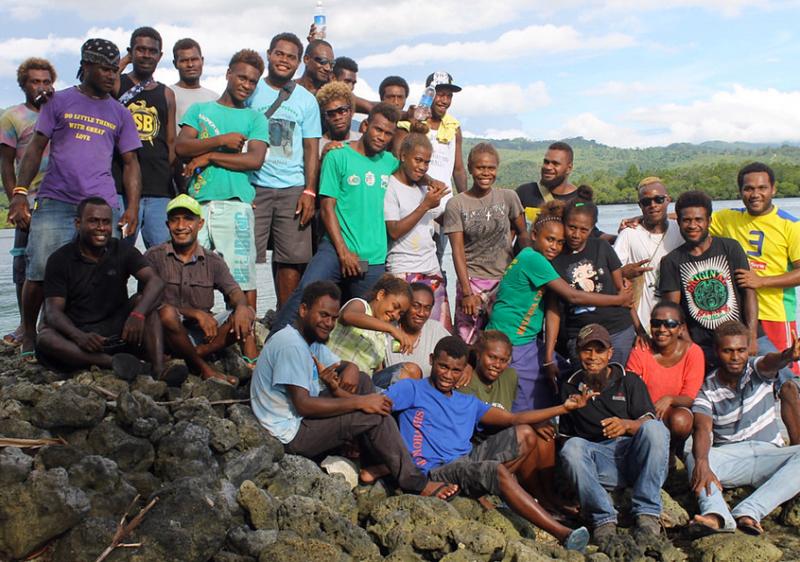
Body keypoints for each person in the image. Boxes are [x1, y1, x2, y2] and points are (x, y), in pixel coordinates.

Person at [251, 280, 459, 501]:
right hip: (291, 434)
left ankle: (375, 460)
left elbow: (340, 366)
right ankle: (415, 481)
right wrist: (362, 403)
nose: (329, 324)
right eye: (323, 315)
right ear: (303, 310)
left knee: (362, 380)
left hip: (300, 418)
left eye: (332, 318)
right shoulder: (290, 345)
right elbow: (304, 404)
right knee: (374, 412)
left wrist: (350, 367)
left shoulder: (308, 341)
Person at [385, 335, 593, 552]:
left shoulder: (467, 402)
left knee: (523, 432)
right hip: (437, 473)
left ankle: (499, 494)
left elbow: (513, 419)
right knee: (495, 470)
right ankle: (562, 533)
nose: (448, 375)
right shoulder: (412, 389)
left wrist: (563, 408)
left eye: (456, 370)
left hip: (466, 462)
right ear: (431, 360)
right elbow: (379, 408)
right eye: (443, 367)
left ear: (464, 369)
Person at [9, 38, 142, 361]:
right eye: (105, 69)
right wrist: (20, 193)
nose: (113, 76)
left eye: (115, 70)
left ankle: (96, 334)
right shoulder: (59, 101)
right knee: (39, 270)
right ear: (86, 67)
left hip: (102, 204)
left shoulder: (119, 112)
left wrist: (133, 207)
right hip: (56, 199)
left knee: (105, 275)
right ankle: (30, 331)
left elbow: (130, 163)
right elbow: (36, 147)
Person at [270, 103, 401, 335]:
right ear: (365, 126)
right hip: (335, 249)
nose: (382, 137)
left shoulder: (390, 163)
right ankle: (274, 346)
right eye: (378, 130)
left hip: (373, 257)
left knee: (365, 318)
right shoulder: (338, 156)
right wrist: (343, 252)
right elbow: (327, 207)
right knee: (306, 294)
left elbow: (415, 169)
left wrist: (431, 182)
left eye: (388, 133)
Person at [488, 201, 632, 411]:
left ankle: (557, 421)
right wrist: (618, 300)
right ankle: (530, 427)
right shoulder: (534, 259)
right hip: (513, 339)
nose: (554, 247)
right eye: (550, 240)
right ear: (534, 235)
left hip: (526, 339)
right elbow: (572, 296)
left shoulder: (538, 258)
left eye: (559, 242)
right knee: (523, 399)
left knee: (564, 373)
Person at [708, 162, 800, 443]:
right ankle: (745, 443)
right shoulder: (726, 219)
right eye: (749, 188)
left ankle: (796, 455)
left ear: (773, 189)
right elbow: (692, 218)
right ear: (740, 191)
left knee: (787, 385)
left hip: (776, 316)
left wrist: (763, 281)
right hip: (736, 318)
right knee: (739, 380)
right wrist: (646, 220)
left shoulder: (789, 225)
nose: (755, 193)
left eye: (762, 187)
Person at [35, 198, 173, 380]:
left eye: (106, 222)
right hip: (80, 338)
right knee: (45, 337)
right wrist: (79, 336)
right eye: (93, 221)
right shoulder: (60, 259)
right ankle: (109, 362)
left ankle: (158, 368)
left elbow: (156, 282)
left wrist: (138, 314)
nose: (101, 227)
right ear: (78, 223)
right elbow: (53, 312)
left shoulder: (122, 250)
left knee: (143, 302)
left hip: (119, 333)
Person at [175, 49, 269, 311]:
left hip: (235, 205)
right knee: (188, 274)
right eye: (242, 78)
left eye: (252, 82)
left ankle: (245, 341)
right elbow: (182, 147)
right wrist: (220, 141)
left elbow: (254, 160)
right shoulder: (200, 110)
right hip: (197, 206)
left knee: (241, 281)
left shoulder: (254, 118)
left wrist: (209, 156)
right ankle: (191, 333)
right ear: (228, 74)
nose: (246, 85)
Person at [687, 320, 800, 536]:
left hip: (769, 453)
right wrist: (702, 462)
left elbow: (770, 362)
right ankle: (717, 515)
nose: (736, 357)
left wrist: (787, 355)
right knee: (694, 456)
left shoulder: (757, 369)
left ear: (748, 349)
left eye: (741, 350)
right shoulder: (707, 389)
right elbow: (702, 428)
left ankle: (750, 511)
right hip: (733, 458)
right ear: (716, 351)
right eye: (728, 351)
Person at [559, 324, 669, 543]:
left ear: (609, 353)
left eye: (599, 350)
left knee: (656, 429)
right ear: (578, 352)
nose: (592, 357)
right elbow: (566, 439)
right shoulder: (570, 386)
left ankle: (647, 513)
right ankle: (603, 518)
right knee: (571, 448)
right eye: (586, 350)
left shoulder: (629, 380)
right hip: (601, 463)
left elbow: (648, 420)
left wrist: (626, 425)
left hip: (633, 455)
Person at [145, 194, 257, 386]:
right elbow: (146, 301)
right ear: (167, 224)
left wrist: (241, 308)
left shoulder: (213, 260)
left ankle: (190, 355)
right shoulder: (154, 256)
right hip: (167, 332)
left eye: (188, 219)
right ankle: (203, 368)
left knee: (247, 312)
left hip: (203, 335)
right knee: (166, 314)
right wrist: (195, 313)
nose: (181, 226)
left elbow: (235, 293)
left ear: (200, 223)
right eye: (175, 220)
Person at [247, 32, 320, 308]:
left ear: (299, 62)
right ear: (269, 54)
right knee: (247, 256)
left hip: (292, 189)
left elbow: (311, 148)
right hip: (255, 185)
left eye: (291, 56)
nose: (284, 60)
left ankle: (284, 320)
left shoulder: (306, 100)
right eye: (279, 53)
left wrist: (309, 190)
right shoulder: (252, 91)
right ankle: (245, 323)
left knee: (290, 259)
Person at [658, 190, 759, 371]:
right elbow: (674, 312)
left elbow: (749, 292)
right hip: (703, 345)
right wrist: (691, 349)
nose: (692, 225)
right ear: (679, 222)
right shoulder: (671, 262)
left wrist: (751, 336)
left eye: (698, 220)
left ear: (709, 221)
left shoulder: (730, 248)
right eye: (686, 220)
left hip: (741, 339)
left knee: (785, 379)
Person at [444, 142, 529, 343]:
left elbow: (523, 233)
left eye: (491, 168)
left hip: (504, 281)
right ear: (471, 168)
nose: (486, 173)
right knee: (467, 340)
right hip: (472, 281)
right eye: (480, 167)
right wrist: (466, 292)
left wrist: (523, 269)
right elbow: (457, 251)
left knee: (501, 340)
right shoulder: (457, 204)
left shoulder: (508, 197)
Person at [546, 189, 636, 369]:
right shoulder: (552, 259)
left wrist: (639, 330)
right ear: (563, 222)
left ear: (592, 228)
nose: (576, 234)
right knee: (586, 387)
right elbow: (553, 310)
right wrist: (549, 354)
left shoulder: (602, 247)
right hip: (581, 335)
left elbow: (623, 293)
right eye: (571, 227)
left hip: (618, 330)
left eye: (584, 230)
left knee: (616, 383)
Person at [0, 57, 56, 347]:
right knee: (24, 265)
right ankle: (25, 326)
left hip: (59, 199)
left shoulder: (60, 111)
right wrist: (15, 200)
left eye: (47, 81)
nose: (42, 87)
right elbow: (6, 164)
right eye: (35, 81)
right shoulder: (13, 117)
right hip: (29, 201)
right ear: (23, 84)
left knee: (56, 266)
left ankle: (51, 324)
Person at [114, 26, 176, 249]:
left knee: (163, 259)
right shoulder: (117, 84)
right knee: (115, 256)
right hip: (120, 188)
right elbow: (108, 77)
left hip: (158, 191)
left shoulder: (166, 93)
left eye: (152, 51)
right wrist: (126, 60)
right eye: (140, 50)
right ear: (131, 52)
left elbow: (170, 142)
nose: (146, 55)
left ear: (160, 55)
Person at [384, 123, 451, 330]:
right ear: (403, 156)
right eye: (418, 160)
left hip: (431, 269)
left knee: (437, 331)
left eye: (427, 162)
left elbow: (441, 218)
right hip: (403, 270)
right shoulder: (390, 186)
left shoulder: (423, 189)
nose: (422, 167)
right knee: (402, 331)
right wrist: (425, 206)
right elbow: (394, 230)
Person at [626, 300, 704, 464]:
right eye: (656, 323)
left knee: (681, 420)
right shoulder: (641, 349)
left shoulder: (693, 352)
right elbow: (630, 389)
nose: (662, 329)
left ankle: (672, 451)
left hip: (672, 414)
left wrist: (670, 399)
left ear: (681, 328)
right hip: (644, 413)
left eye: (670, 324)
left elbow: (689, 397)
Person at [613, 177, 683, 333]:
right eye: (646, 202)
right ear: (640, 205)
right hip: (638, 321)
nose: (653, 205)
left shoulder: (680, 230)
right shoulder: (629, 234)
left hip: (675, 321)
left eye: (658, 199)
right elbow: (609, 273)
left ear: (668, 200)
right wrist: (624, 272)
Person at [327, 275, 421, 387]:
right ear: (381, 295)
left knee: (411, 371)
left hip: (362, 386)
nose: (396, 315)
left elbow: (376, 372)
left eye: (400, 313)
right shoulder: (361, 305)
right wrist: (392, 329)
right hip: (334, 374)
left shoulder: (382, 337)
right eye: (395, 306)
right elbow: (348, 316)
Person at [515, 142, 610, 241]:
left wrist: (623, 234)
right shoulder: (524, 192)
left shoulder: (580, 200)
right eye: (546, 162)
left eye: (555, 164)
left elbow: (592, 234)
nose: (548, 167)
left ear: (569, 168)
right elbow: (508, 231)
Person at [383, 283, 451, 377]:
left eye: (427, 308)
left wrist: (468, 366)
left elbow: (457, 353)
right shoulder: (389, 329)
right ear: (405, 305)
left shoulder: (435, 329)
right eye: (416, 306)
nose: (421, 313)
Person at [170, 38, 218, 130]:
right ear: (175, 64)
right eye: (184, 60)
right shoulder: (168, 94)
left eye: (194, 59)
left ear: (202, 61)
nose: (190, 65)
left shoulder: (214, 98)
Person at [316, 81, 360, 155]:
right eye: (331, 114)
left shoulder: (362, 140)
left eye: (342, 111)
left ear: (351, 111)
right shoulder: (316, 146)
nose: (337, 117)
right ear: (324, 118)